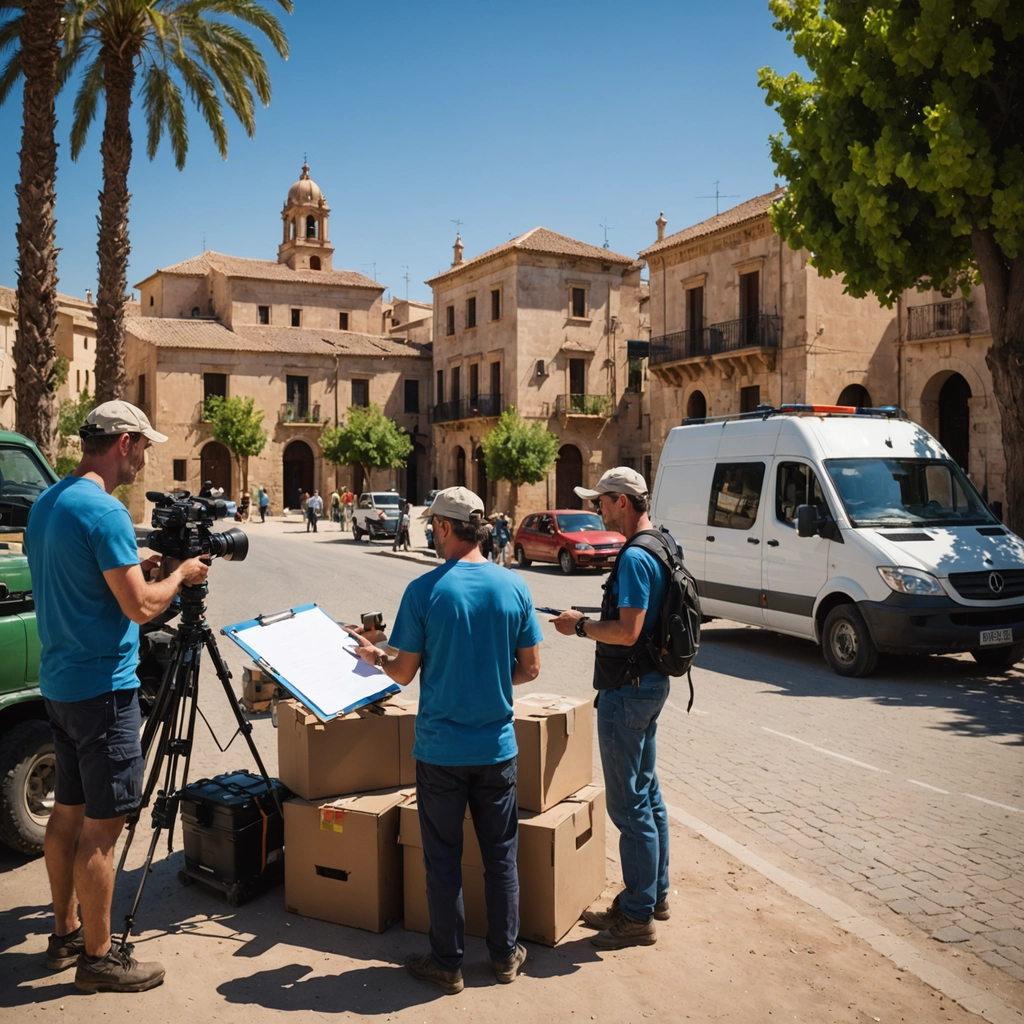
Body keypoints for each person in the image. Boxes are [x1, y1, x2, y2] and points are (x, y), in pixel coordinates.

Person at [25, 400, 210, 993]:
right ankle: (100, 959)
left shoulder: (48, 503)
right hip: (103, 692)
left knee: (67, 814)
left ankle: (65, 935)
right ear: (124, 442)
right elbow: (142, 607)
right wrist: (179, 575)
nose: (144, 459)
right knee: (103, 829)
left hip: (61, 685)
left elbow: (81, 580)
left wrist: (136, 563)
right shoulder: (105, 511)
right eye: (144, 446)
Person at [348, 487, 543, 994]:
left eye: (433, 526)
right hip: (496, 749)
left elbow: (403, 673)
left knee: (443, 860)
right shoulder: (514, 585)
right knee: (500, 855)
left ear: (444, 527)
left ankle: (447, 963)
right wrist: (489, 681)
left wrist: (375, 656)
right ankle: (504, 956)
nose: (432, 534)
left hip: (440, 753)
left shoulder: (424, 590)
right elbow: (530, 668)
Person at [550, 467, 670, 950]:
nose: (597, 508)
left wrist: (579, 626)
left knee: (629, 805)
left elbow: (627, 631)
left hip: (629, 690)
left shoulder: (636, 556)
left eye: (601, 500)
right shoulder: (662, 543)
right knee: (648, 793)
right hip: (650, 683)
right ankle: (654, 896)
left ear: (622, 501)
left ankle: (638, 915)